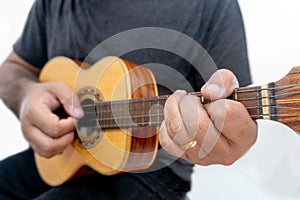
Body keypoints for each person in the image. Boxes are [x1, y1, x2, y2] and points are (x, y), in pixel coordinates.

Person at [0, 0, 257, 199]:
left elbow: (234, 111)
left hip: (152, 177)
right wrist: (26, 97)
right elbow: (13, 69)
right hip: (57, 160)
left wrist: (229, 136)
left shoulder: (210, 5)